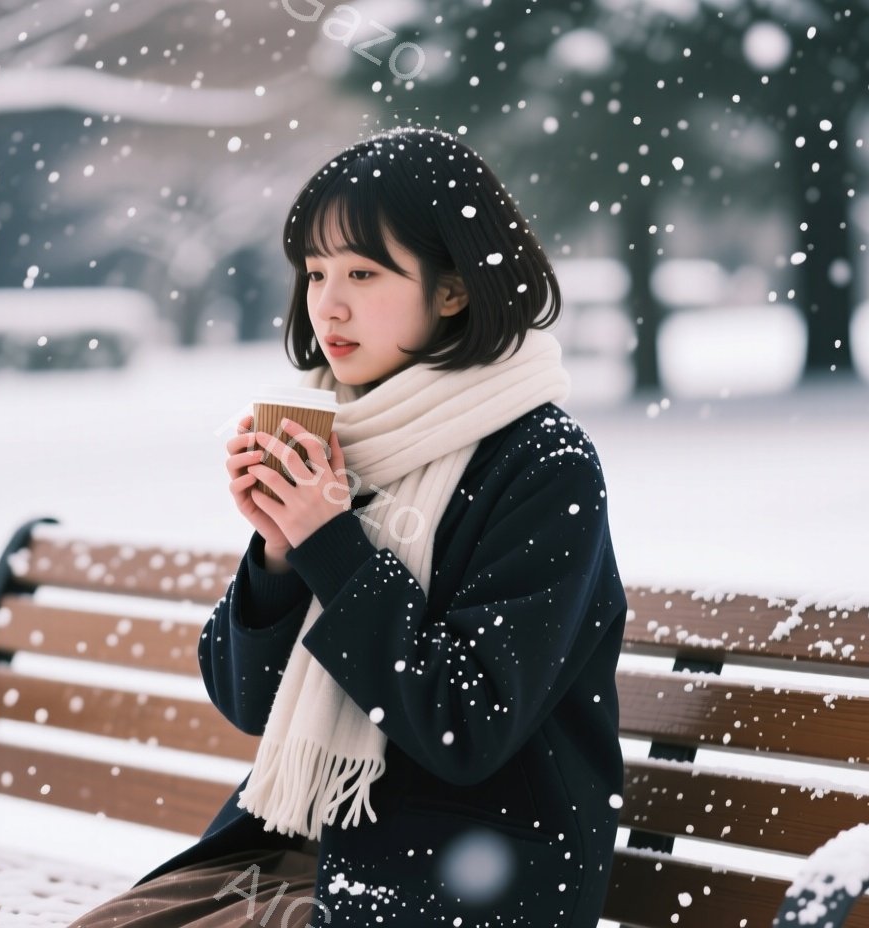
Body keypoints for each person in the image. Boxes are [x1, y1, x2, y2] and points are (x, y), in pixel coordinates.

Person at [69, 125, 627, 928]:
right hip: (312, 846)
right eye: (316, 272)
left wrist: (332, 543)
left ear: (454, 289)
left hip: (470, 875)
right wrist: (279, 551)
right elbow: (250, 704)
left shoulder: (544, 463)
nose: (327, 304)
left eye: (364, 273)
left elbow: (464, 724)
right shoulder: (349, 439)